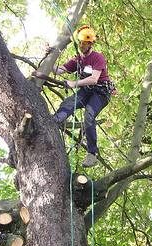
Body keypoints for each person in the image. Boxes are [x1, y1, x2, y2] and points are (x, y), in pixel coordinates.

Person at [51, 25, 114, 168]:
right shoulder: (78, 61)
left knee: (88, 116)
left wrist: (74, 83)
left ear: (91, 44)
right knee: (69, 103)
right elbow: (57, 70)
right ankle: (54, 121)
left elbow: (94, 78)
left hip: (100, 93)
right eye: (80, 43)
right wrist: (51, 56)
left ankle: (92, 152)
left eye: (85, 43)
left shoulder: (97, 57)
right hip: (85, 91)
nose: (82, 46)